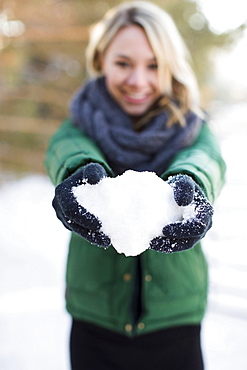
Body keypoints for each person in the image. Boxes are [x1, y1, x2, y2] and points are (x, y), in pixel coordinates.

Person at [45, 2, 226, 369]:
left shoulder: (191, 126)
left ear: (171, 65)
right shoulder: (81, 123)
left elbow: (207, 159)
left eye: (154, 64)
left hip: (175, 318)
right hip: (95, 317)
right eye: (123, 63)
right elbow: (66, 148)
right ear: (101, 61)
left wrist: (191, 183)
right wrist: (78, 173)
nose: (138, 81)